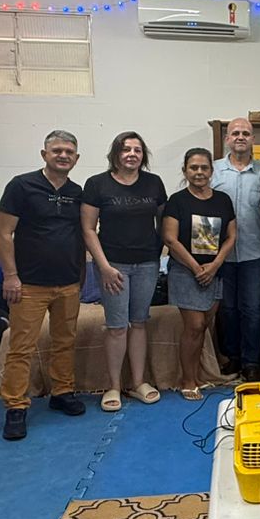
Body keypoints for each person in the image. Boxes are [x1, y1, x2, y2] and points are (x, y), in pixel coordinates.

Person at [0, 130, 88, 441]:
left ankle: (62, 392)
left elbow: (82, 235)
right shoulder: (21, 186)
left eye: (69, 152)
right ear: (44, 154)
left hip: (68, 282)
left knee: (65, 342)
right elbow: (3, 233)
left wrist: (81, 276)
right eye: (57, 150)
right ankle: (15, 406)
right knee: (21, 347)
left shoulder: (77, 192)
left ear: (76, 158)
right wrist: (10, 275)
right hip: (28, 284)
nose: (63, 156)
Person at [81, 131, 167, 412]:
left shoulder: (154, 183)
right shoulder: (97, 184)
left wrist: (158, 255)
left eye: (137, 150)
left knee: (139, 322)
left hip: (147, 264)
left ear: (143, 155)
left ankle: (139, 383)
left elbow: (164, 223)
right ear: (116, 153)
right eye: (126, 149)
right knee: (117, 326)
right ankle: (114, 386)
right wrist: (104, 267)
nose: (132, 154)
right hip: (112, 265)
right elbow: (88, 229)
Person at [163, 148, 238, 400]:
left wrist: (214, 265)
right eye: (193, 167)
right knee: (194, 326)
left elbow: (231, 236)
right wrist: (196, 268)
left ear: (211, 171)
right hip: (186, 272)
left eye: (204, 167)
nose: (199, 172)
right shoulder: (177, 200)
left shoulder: (223, 200)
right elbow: (170, 239)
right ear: (185, 171)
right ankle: (187, 380)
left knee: (205, 325)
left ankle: (199, 375)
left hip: (214, 272)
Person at [211, 117, 260, 381]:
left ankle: (251, 361)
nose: (240, 137)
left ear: (253, 139)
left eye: (246, 133)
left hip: (254, 252)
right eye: (235, 133)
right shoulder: (213, 171)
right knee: (227, 310)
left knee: (253, 309)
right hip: (220, 255)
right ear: (227, 139)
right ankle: (232, 357)